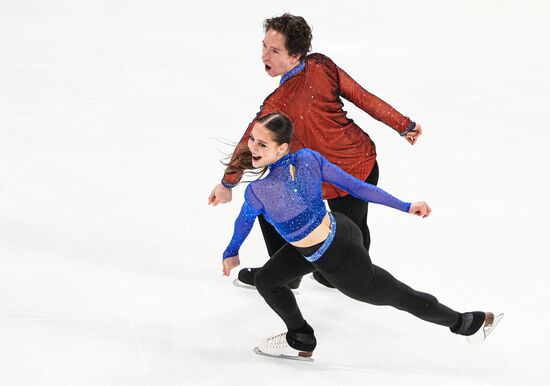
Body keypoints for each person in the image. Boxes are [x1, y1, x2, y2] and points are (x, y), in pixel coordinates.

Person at [221, 113, 502, 360]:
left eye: (262, 143)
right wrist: (230, 251)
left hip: (339, 259)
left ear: (282, 148)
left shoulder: (260, 190)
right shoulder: (308, 159)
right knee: (267, 280)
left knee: (399, 295)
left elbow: (245, 220)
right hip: (339, 229)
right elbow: (356, 187)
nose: (253, 148)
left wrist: (405, 206)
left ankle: (468, 323)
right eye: (253, 140)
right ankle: (301, 338)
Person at [209, 13, 423, 289]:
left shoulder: (277, 103)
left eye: (274, 50)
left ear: (295, 55)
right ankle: (316, 273)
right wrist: (403, 125)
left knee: (275, 209)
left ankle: (289, 274)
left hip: (347, 170)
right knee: (350, 243)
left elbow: (248, 141)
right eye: (264, 46)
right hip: (353, 168)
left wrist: (228, 183)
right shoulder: (321, 65)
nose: (265, 55)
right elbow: (362, 96)